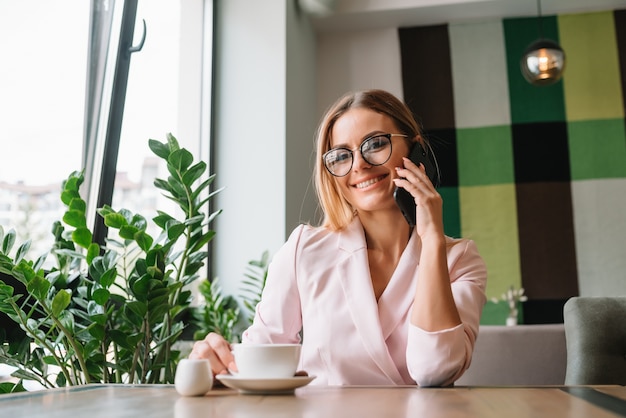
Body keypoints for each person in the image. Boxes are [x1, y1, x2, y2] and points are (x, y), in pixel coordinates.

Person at [190, 89, 487, 387]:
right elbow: (261, 357)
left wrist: (432, 240)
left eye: (376, 144)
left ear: (415, 149)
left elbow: (435, 369)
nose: (359, 165)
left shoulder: (459, 259)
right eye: (342, 155)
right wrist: (215, 362)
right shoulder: (304, 250)